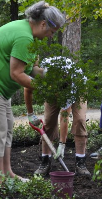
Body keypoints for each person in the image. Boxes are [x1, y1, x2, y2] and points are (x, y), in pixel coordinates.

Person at [0, 1, 65, 183]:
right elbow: (16, 74)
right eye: (51, 32)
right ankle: (1, 180)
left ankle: (7, 174)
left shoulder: (31, 38)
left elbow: (31, 70)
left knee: (7, 129)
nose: (50, 36)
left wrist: (52, 76)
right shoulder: (24, 37)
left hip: (3, 93)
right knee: (0, 131)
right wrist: (46, 89)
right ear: (43, 24)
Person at [24, 57, 91, 176]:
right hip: (52, 85)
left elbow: (64, 115)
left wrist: (62, 144)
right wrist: (30, 114)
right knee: (49, 121)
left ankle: (80, 162)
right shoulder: (39, 75)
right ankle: (45, 161)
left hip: (79, 88)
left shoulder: (72, 85)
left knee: (80, 120)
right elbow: (28, 90)